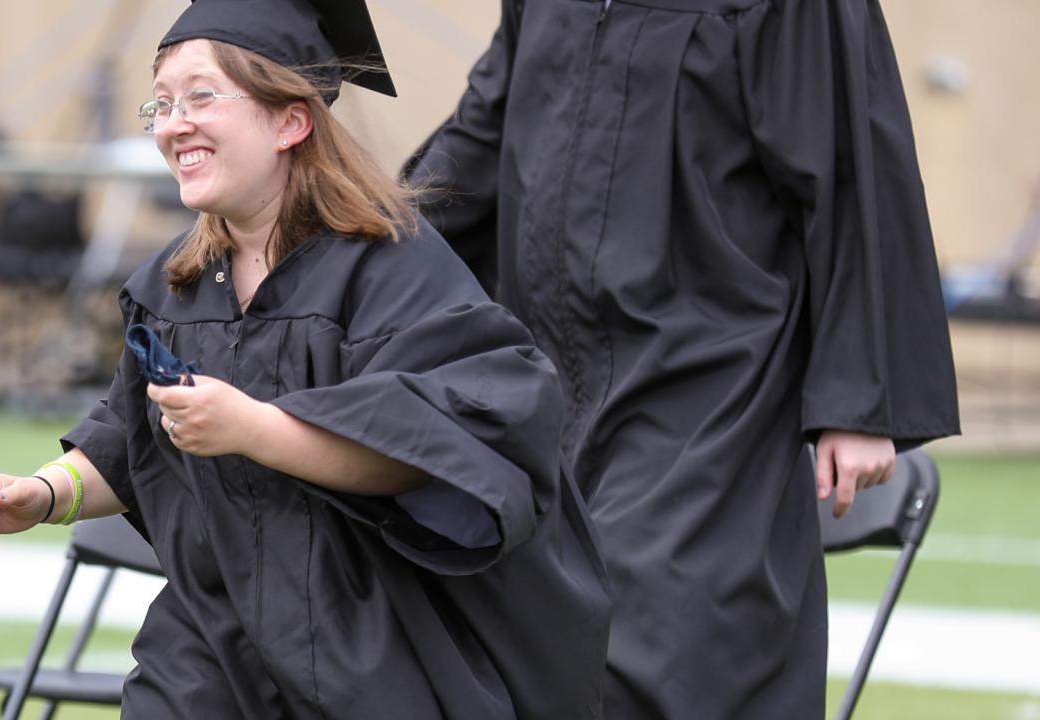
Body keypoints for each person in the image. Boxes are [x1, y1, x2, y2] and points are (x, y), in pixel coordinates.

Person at [0, 1, 610, 717]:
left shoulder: (394, 271)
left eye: (201, 97)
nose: (174, 124)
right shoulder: (171, 286)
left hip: (372, 644)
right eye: (162, 104)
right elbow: (128, 437)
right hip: (209, 648)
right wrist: (47, 493)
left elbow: (440, 448)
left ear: (290, 120)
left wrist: (254, 429)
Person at [405, 0, 961, 717]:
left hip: (711, 386)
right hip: (546, 387)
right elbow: (480, 139)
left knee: (654, 650)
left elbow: (850, 161)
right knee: (521, 658)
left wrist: (864, 397)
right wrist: (346, 247)